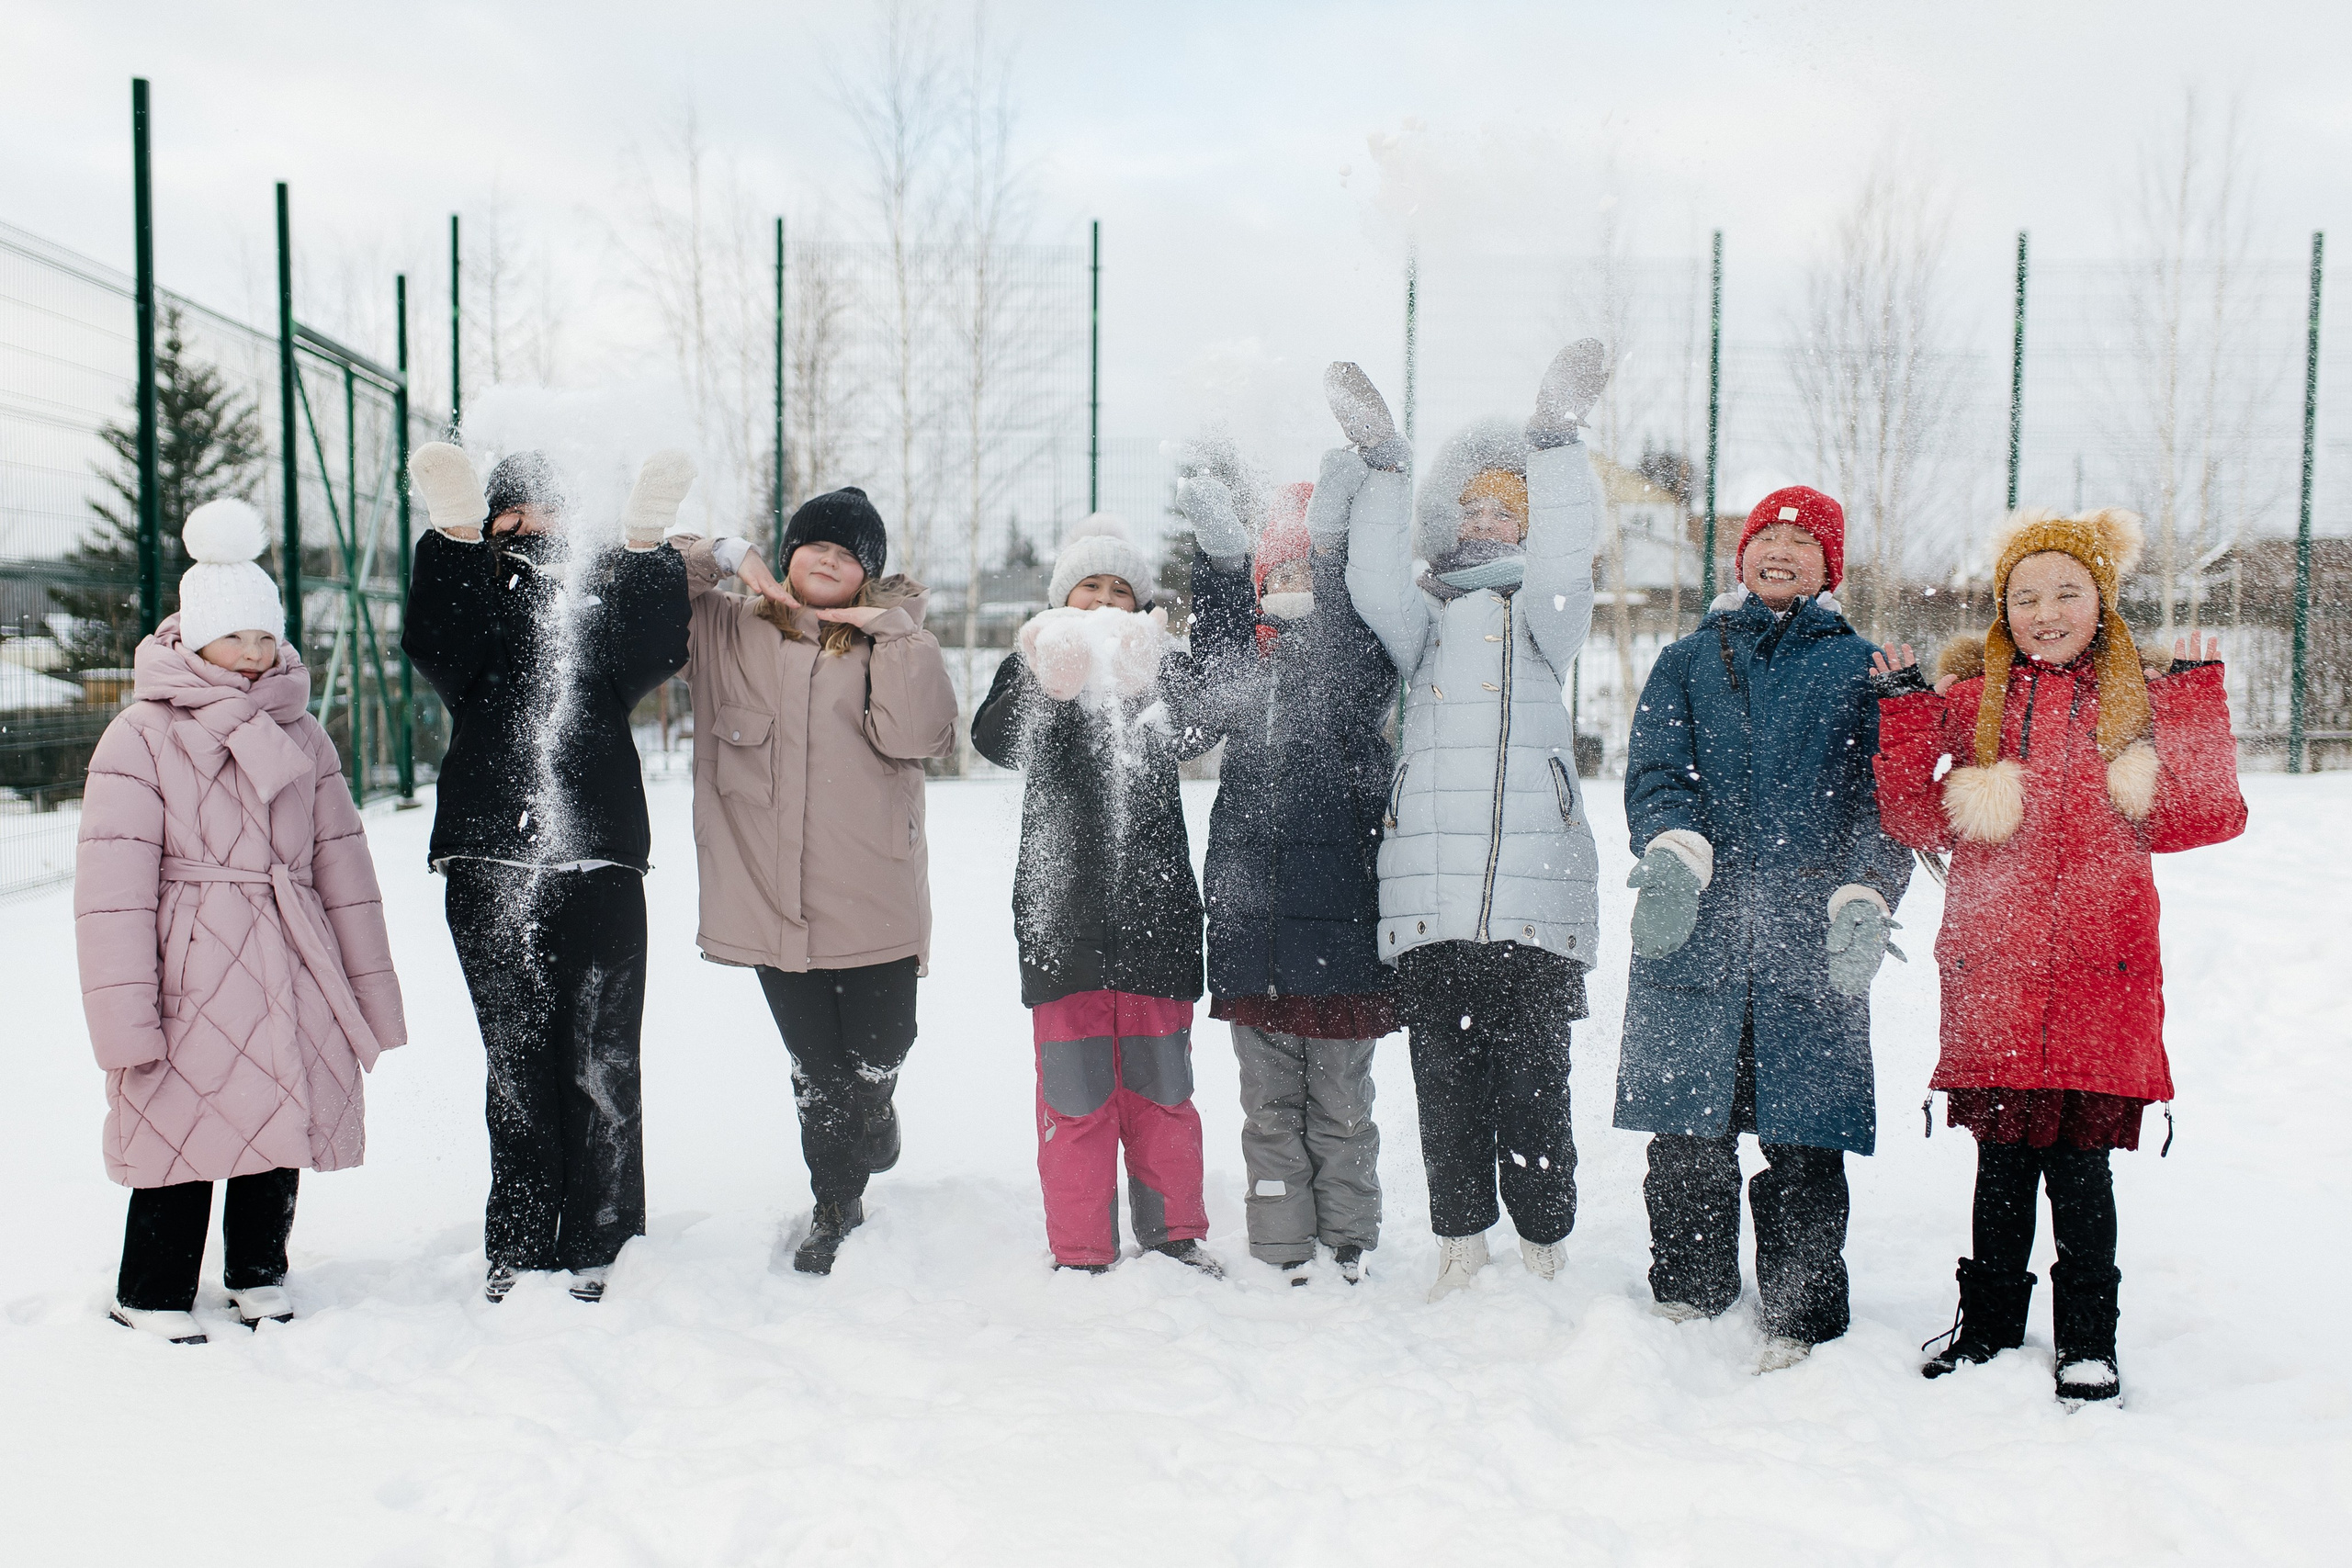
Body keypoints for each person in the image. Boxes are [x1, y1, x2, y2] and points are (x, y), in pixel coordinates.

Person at [1871, 507, 2245, 1404]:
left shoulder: (2140, 699)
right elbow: (1914, 816)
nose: (2045, 612)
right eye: (2025, 596)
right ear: (2002, 606)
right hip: (1996, 978)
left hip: (2099, 981)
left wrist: (2193, 705)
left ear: (2101, 599)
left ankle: (2088, 1341)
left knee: (2081, 1176)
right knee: (2000, 1168)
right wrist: (1907, 713)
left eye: (2066, 593)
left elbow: (2205, 816)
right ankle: (1989, 1326)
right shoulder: (1973, 702)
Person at [75, 498, 406, 1343]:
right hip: (190, 963)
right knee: (178, 1120)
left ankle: (258, 1271)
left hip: (290, 951)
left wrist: (367, 988)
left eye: (267, 634)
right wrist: (124, 1016)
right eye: (237, 636)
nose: (257, 653)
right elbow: (112, 894)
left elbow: (343, 866)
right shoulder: (140, 736)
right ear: (194, 636)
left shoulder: (305, 733)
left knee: (280, 1109)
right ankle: (150, 1290)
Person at [1615, 486, 1912, 1371]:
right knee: (1687, 1130)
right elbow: (1656, 770)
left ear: (1830, 568)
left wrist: (1867, 890)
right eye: (1766, 536)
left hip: (1809, 936)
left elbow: (1887, 799)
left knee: (1805, 1135)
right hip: (1698, 928)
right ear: (1740, 556)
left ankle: (1801, 1307)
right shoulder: (1687, 659)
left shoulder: (1860, 667)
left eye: (1803, 541)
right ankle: (1689, 1286)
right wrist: (1673, 850)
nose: (1781, 550)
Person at [1336, 343, 1608, 1302]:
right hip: (1433, 895)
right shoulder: (1423, 619)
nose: (1486, 522)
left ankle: (1542, 1241)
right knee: (1444, 1082)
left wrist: (1555, 445)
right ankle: (1459, 1239)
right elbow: (1373, 584)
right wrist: (1384, 467)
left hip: (1533, 897)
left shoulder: (1545, 618)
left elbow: (1567, 564)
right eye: (1473, 510)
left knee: (1534, 1084)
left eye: (1506, 509)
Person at [401, 442, 691, 1303]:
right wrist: (453, 538)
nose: (532, 526)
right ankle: (521, 1243)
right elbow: (435, 643)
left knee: (603, 1063)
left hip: (599, 857)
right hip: (492, 859)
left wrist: (645, 546)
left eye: (550, 509)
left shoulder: (596, 602)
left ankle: (603, 1241)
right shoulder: (479, 604)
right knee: (518, 1065)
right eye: (511, 514)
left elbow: (655, 649)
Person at [669, 488, 957, 1274]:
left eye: (848, 552)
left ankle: (878, 1102)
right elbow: (641, 578)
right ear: (787, 555)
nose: (829, 557)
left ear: (869, 573)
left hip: (873, 892)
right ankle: (836, 1200)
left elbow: (920, 734)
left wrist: (890, 632)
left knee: (880, 1048)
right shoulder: (724, 627)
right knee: (818, 1070)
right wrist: (725, 555)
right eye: (814, 544)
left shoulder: (897, 638)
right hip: (767, 898)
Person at [969, 515, 1222, 1276]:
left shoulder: (1161, 661)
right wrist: (1050, 684)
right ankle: (1081, 1249)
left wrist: (1151, 679)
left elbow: (1198, 731)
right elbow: (994, 739)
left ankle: (1174, 1233)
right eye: (1091, 587)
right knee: (1074, 1099)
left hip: (1156, 924)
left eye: (1121, 589)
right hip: (1063, 928)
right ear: (1063, 597)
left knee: (1162, 1093)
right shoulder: (1034, 656)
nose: (1107, 601)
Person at [1179, 457, 1396, 1284]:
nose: (1292, 588)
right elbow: (1217, 649)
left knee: (1342, 1107)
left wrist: (1332, 551)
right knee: (1268, 1108)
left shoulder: (1352, 673)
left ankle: (1348, 1239)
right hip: (1255, 937)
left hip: (1342, 940)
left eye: (1309, 572)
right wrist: (1222, 563)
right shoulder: (1245, 675)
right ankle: (1280, 1246)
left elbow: (1354, 647)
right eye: (1277, 576)